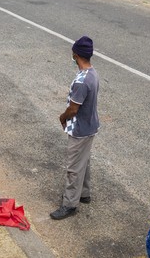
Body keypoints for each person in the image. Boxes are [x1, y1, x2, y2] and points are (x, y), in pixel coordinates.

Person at [50, 36, 100, 220]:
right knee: (84, 162)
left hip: (80, 129)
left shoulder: (81, 81)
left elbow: (73, 109)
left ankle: (70, 204)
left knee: (73, 167)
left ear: (76, 54)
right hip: (91, 126)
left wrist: (62, 117)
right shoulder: (93, 73)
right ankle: (84, 194)